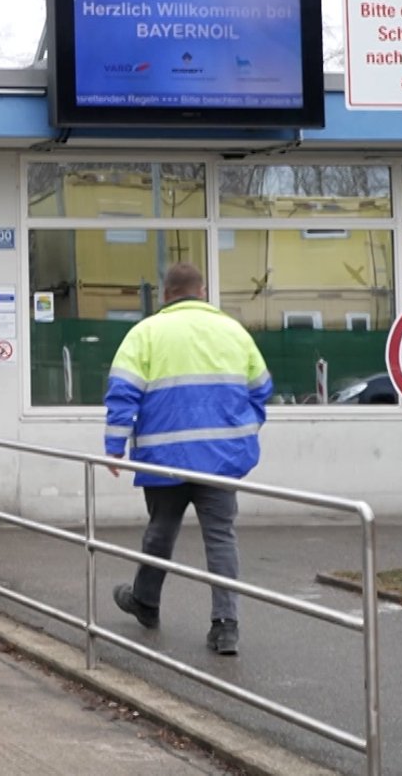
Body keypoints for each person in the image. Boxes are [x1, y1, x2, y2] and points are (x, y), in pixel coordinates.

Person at [102, 261, 272, 656]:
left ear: (165, 294)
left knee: (160, 530)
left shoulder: (145, 333)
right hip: (220, 458)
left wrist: (114, 446)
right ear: (203, 291)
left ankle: (146, 601)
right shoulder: (234, 331)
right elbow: (261, 389)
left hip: (166, 457)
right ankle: (226, 626)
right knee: (221, 539)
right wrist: (242, 432)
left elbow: (122, 392)